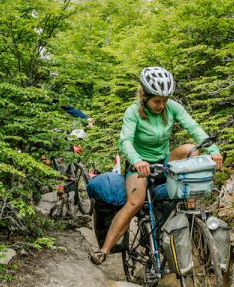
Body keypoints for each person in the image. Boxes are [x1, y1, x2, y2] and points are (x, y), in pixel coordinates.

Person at [88, 66, 223, 265]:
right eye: (157, 101)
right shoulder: (133, 111)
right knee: (135, 202)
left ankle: (189, 211)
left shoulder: (172, 108)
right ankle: (104, 250)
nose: (161, 105)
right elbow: (125, 141)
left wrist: (213, 151)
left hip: (164, 160)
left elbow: (193, 127)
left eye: (164, 100)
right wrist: (137, 160)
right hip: (139, 164)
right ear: (145, 97)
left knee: (191, 149)